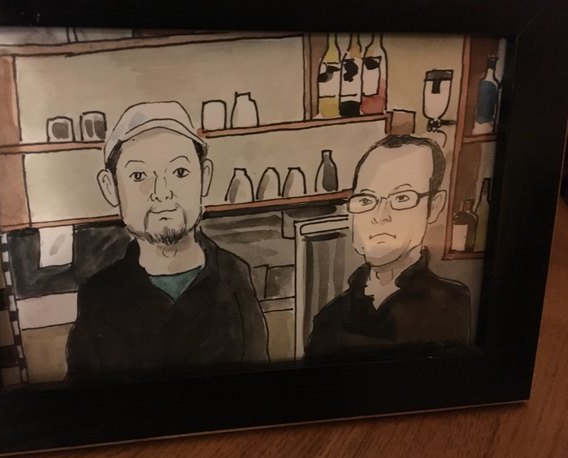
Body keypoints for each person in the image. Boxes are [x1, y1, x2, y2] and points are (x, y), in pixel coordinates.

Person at [65, 102, 269, 379]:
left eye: (180, 172)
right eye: (139, 175)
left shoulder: (234, 276)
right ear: (110, 187)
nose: (162, 192)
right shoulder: (99, 296)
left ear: (204, 178)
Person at [305, 135, 471, 360]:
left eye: (401, 198)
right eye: (366, 200)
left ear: (434, 206)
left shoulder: (450, 302)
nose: (380, 216)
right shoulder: (330, 316)